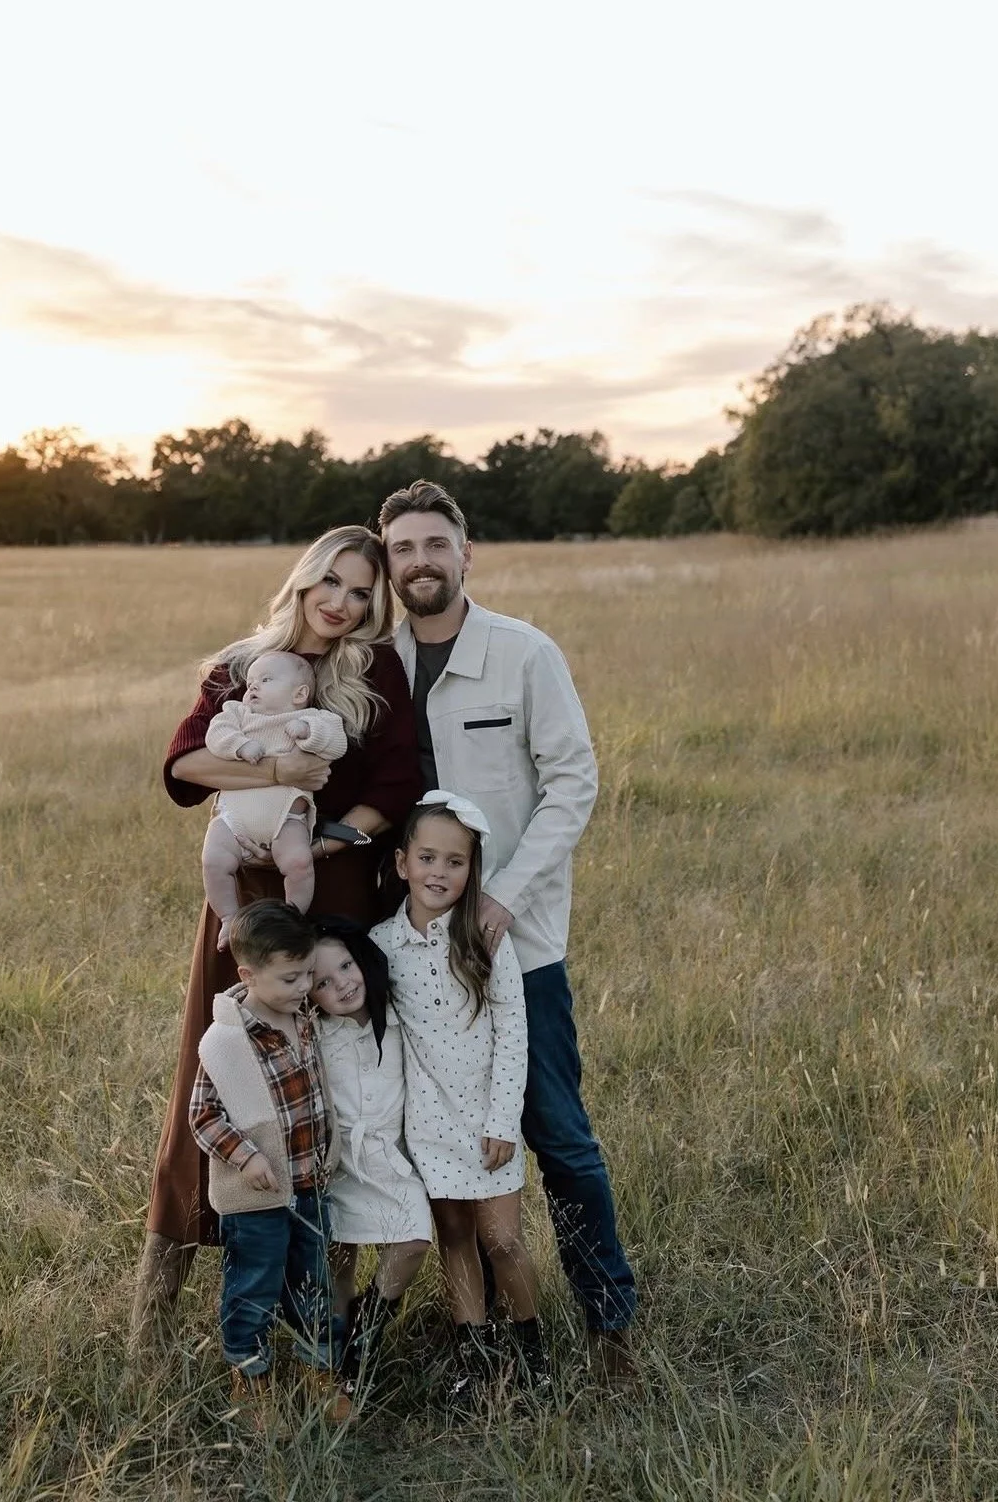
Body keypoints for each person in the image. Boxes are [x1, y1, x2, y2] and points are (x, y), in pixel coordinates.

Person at [378, 480, 639, 1385]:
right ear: (389, 562)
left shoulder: (525, 654)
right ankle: (468, 1334)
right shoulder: (373, 665)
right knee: (418, 1136)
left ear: (466, 553)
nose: (419, 561)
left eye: (433, 545)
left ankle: (611, 1329)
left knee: (557, 1136)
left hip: (516, 945)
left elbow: (575, 782)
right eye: (402, 548)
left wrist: (506, 898)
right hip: (410, 957)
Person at [137, 526, 422, 1325]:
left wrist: (330, 836)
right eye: (331, 582)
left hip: (334, 892)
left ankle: (320, 1322)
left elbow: (397, 785)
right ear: (303, 582)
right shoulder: (240, 665)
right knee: (217, 1065)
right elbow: (184, 766)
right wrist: (274, 774)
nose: (342, 603)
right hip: (243, 898)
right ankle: (155, 1311)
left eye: (362, 592)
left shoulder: (376, 671)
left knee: (325, 1080)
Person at [370, 793, 547, 1402]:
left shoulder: (484, 938)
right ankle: (474, 1358)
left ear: (473, 871)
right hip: (428, 1123)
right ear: (401, 864)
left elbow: (513, 1033)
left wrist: (504, 1118)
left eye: (455, 862)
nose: (439, 873)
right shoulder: (383, 946)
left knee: (502, 1239)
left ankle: (531, 1356)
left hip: (486, 1119)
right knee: (455, 1238)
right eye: (427, 858)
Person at [188, 900, 349, 1422]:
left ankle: (317, 1370)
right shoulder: (227, 1040)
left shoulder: (303, 1020)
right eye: (289, 978)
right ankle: (250, 1377)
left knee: (314, 1279)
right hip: (255, 1193)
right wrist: (246, 1156)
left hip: (310, 1182)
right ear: (248, 975)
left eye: (306, 975)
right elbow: (203, 1115)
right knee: (253, 1280)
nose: (303, 987)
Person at [308, 914, 432, 1388]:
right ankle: (342, 1365)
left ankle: (369, 1325)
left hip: (387, 1157)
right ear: (310, 993)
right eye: (323, 981)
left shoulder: (398, 1020)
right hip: (337, 1162)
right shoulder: (316, 1033)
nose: (341, 984)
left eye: (345, 966)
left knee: (413, 1237)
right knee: (339, 1262)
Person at [202, 650, 348, 945]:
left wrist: (307, 731)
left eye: (265, 680)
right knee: (213, 859)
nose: (253, 686)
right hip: (233, 818)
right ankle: (229, 917)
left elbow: (337, 743)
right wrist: (240, 745)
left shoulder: (314, 717)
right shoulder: (238, 713)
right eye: (251, 681)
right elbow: (216, 734)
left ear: (299, 694)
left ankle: (294, 914)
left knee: (299, 863)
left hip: (286, 819)